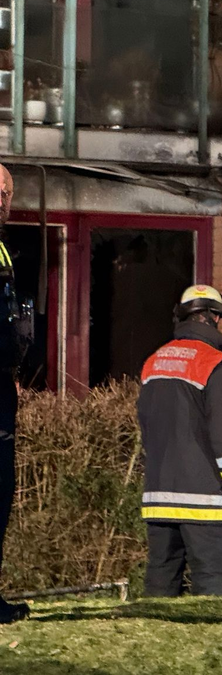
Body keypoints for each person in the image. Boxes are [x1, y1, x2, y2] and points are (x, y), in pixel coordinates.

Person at [139, 284, 222, 596]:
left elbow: (146, 428)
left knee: (161, 576)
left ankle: (152, 626)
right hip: (206, 500)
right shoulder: (215, 363)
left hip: (159, 495)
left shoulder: (154, 361)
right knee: (212, 579)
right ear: (215, 318)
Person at [0, 164, 28, 622]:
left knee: (1, 492)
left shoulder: (3, 247)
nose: (0, 201)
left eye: (5, 192)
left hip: (1, 382)